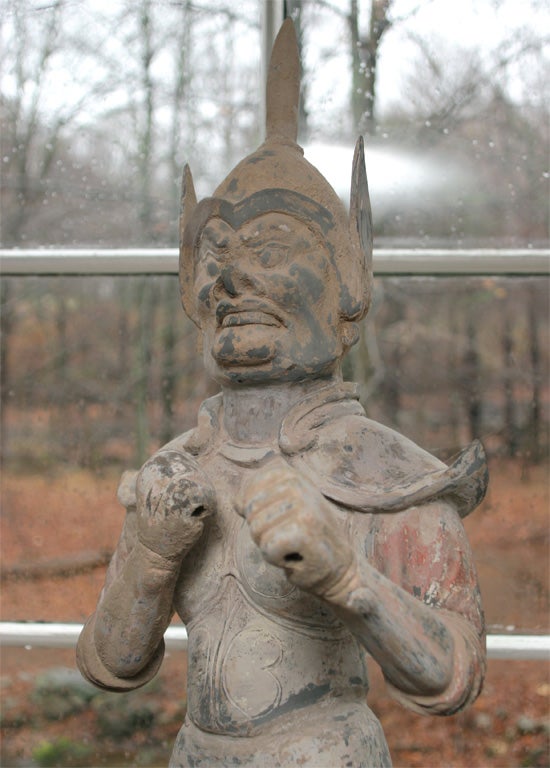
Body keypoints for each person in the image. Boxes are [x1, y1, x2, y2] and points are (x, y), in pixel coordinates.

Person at [77, 19, 487, 767]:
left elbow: (452, 672)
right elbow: (111, 663)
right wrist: (147, 555)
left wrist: (347, 578)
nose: (231, 279)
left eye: (269, 246)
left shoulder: (382, 471)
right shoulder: (180, 466)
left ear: (348, 283)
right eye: (216, 253)